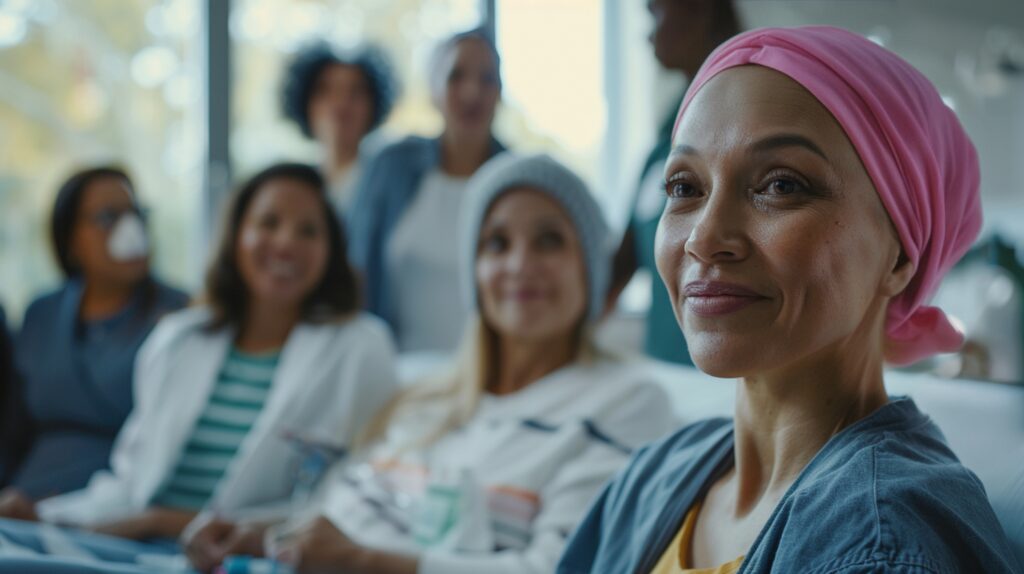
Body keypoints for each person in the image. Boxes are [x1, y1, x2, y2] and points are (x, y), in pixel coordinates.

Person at [557, 27, 1022, 573]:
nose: (704, 239)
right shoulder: (654, 480)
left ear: (899, 258)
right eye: (685, 187)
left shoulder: (886, 544)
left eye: (780, 185)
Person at [182, 154, 678, 574]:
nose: (519, 264)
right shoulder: (425, 399)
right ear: (474, 273)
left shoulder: (627, 403)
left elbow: (558, 566)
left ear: (589, 269)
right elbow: (335, 516)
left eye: (549, 240)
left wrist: (365, 561)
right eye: (497, 243)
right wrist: (255, 531)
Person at [0, 163, 399, 571]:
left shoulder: (360, 348)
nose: (285, 243)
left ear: (331, 250)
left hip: (235, 557)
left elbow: (356, 501)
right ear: (236, 236)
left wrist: (162, 520)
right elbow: (129, 482)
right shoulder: (179, 339)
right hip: (131, 546)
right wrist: (46, 516)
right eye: (269, 222)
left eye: (308, 231)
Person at [0, 167, 188, 499]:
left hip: (116, 505)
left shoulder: (178, 315)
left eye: (136, 214)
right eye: (107, 217)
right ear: (71, 239)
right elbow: (13, 430)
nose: (130, 229)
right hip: (23, 498)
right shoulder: (41, 314)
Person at [347, 28, 506, 353]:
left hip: (493, 381)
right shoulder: (391, 167)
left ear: (501, 92)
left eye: (487, 78)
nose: (472, 92)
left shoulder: (516, 180)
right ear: (433, 89)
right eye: (456, 76)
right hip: (395, 372)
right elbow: (354, 270)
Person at [609, 0, 741, 364]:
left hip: (738, 380)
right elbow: (620, 266)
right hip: (668, 374)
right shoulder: (662, 145)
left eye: (655, 13)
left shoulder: (749, 125)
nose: (647, 33)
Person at [281, 41, 398, 212]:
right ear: (305, 103)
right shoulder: (295, 185)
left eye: (356, 92)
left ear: (373, 106)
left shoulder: (390, 182)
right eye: (325, 91)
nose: (341, 104)